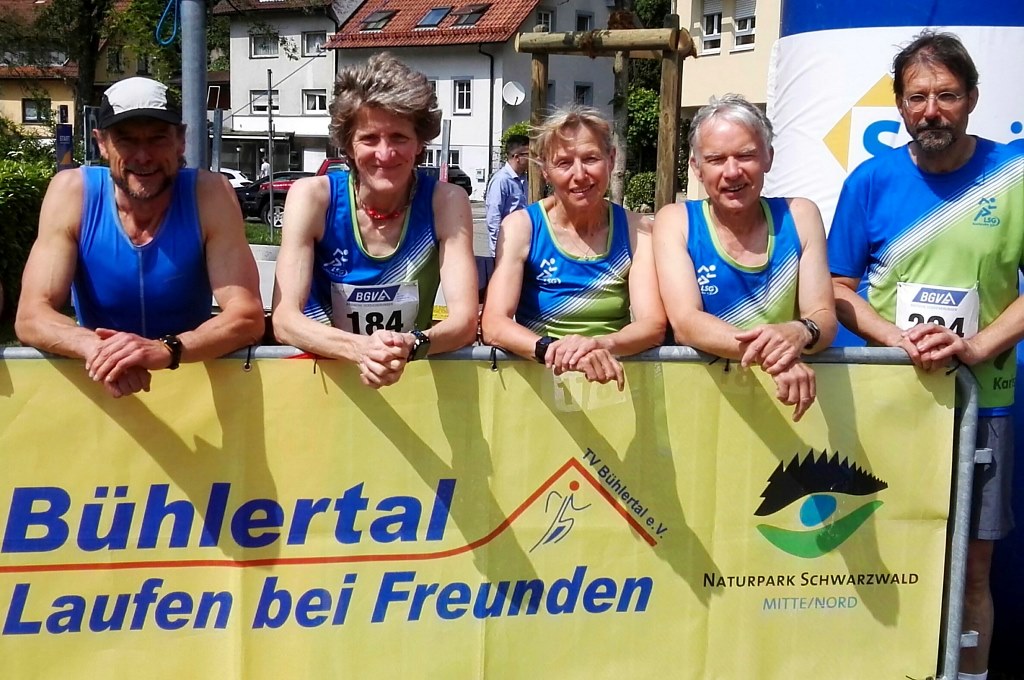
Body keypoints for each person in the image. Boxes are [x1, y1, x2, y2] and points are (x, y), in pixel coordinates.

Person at [827, 32, 1024, 680]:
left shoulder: (1015, 174)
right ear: (899, 105)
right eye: (918, 97)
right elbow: (836, 287)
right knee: (887, 558)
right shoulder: (869, 181)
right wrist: (894, 339)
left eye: (946, 95)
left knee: (973, 572)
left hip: (984, 405)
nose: (931, 110)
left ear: (972, 98)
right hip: (893, 401)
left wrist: (977, 346)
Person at [15, 76, 265, 398]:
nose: (143, 156)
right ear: (102, 143)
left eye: (158, 139)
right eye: (127, 141)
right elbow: (31, 315)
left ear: (181, 141)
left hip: (191, 395)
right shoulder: (72, 193)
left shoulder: (210, 193)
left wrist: (166, 349)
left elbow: (247, 317)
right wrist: (103, 351)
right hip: (105, 390)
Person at [272, 53, 477, 388]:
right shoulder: (312, 198)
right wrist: (362, 349)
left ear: (419, 144)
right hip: (321, 384)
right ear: (348, 146)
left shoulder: (446, 202)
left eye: (399, 137)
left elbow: (465, 322)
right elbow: (284, 320)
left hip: (405, 378)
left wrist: (411, 345)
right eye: (369, 138)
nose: (385, 153)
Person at [653, 94, 836, 422]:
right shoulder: (676, 221)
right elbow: (686, 323)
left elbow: (823, 315)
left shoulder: (800, 216)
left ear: (769, 157)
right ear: (696, 168)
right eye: (716, 159)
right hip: (699, 406)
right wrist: (775, 357)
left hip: (785, 405)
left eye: (746, 155)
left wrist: (801, 331)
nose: (732, 171)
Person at [480, 106, 666, 389]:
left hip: (610, 382)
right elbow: (494, 324)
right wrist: (552, 350)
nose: (580, 174)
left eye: (591, 158)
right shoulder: (522, 227)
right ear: (545, 171)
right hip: (538, 385)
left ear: (611, 160)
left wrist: (598, 345)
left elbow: (652, 325)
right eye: (564, 163)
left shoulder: (637, 230)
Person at [481, 134, 530, 294]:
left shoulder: (523, 179)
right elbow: (493, 218)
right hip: (505, 247)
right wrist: (499, 251)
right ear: (517, 157)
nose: (532, 160)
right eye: (528, 155)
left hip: (521, 244)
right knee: (504, 290)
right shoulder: (501, 180)